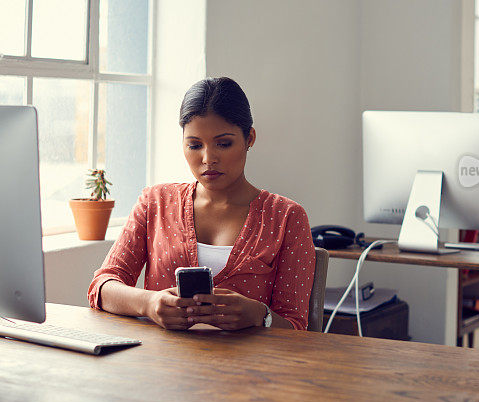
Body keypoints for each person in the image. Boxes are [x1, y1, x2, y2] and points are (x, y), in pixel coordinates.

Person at [88, 77, 316, 330]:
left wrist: (259, 316)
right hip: (160, 363)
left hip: (250, 366)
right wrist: (150, 303)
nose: (208, 158)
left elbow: (297, 326)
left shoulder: (286, 217)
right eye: (195, 145)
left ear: (249, 138)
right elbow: (102, 287)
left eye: (223, 143)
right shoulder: (155, 202)